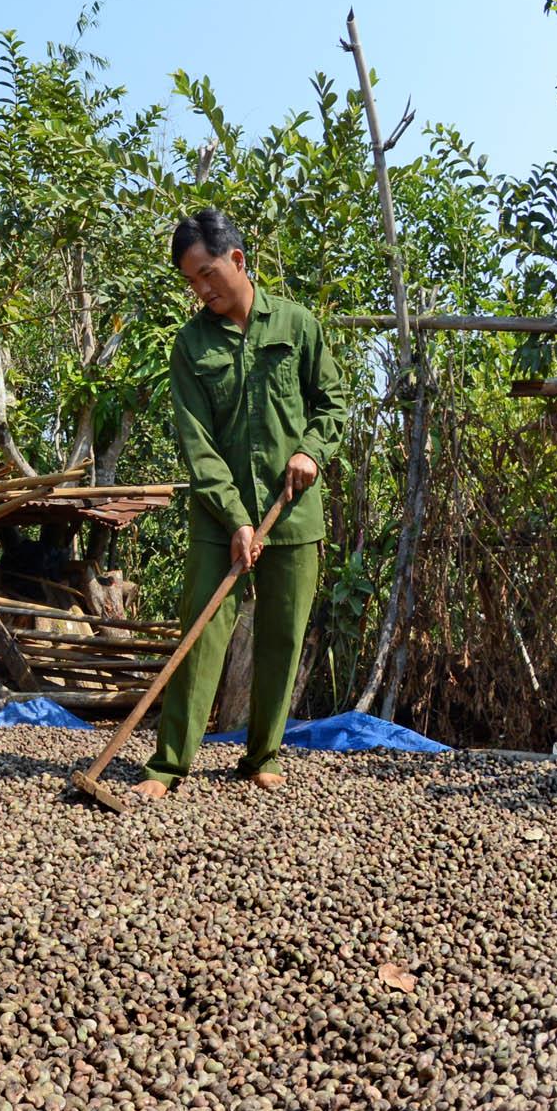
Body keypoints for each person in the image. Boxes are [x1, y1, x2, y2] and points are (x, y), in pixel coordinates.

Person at [134, 208, 343, 804]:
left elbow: (333, 403)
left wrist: (311, 451)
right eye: (190, 281)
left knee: (283, 636)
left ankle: (264, 754)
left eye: (206, 274)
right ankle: (170, 764)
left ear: (238, 262)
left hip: (293, 511)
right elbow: (196, 441)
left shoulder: (299, 326)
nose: (201, 290)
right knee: (199, 636)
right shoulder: (190, 344)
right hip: (217, 518)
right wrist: (235, 517)